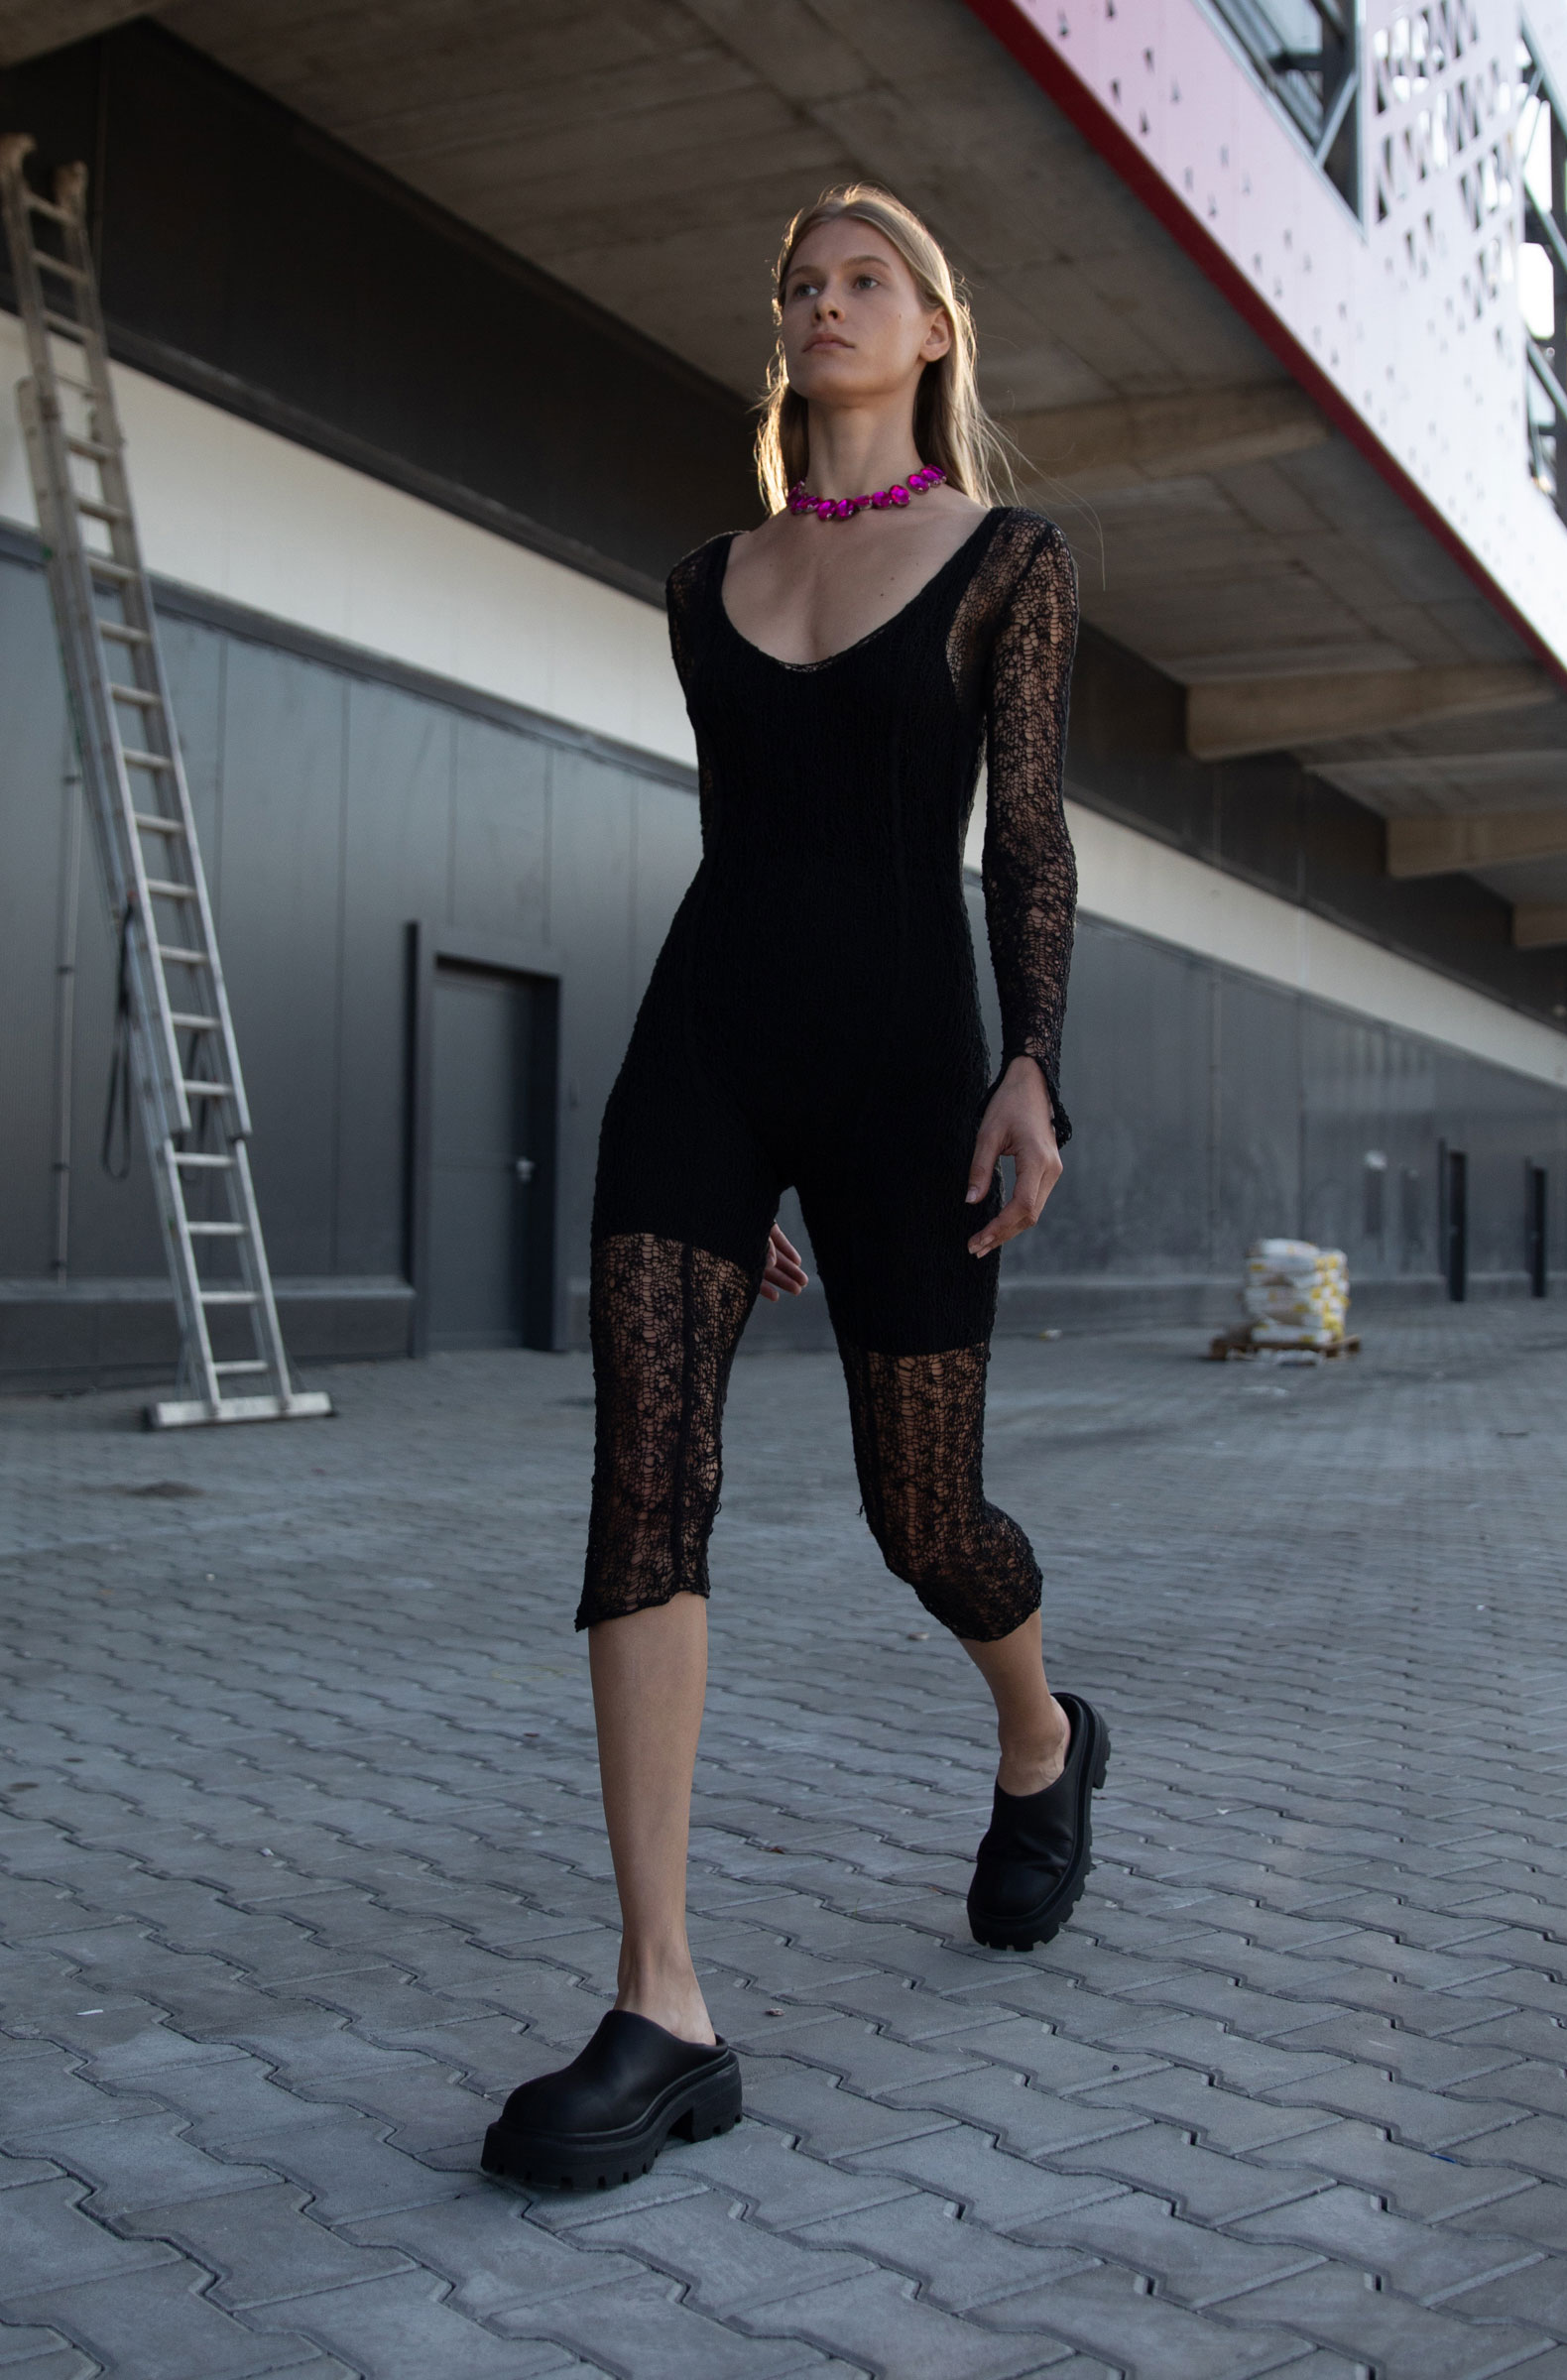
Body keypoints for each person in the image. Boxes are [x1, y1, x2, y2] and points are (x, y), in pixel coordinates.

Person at [481, 183, 1108, 2195]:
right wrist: (721, 1159)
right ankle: (660, 2004)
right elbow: (745, 837)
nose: (823, 303)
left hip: (909, 1070)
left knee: (924, 1516)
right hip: (708, 1049)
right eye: (799, 284)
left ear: (931, 329)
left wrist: (1033, 1061)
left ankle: (1041, 1740)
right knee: (642, 1475)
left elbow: (1027, 839)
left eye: (863, 280)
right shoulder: (706, 581)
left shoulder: (1008, 560)